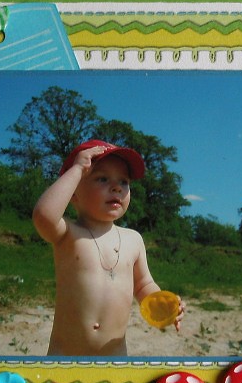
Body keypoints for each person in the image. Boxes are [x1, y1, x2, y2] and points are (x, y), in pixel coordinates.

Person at [32, 139, 184, 356]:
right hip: (66, 358)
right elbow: (43, 216)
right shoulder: (68, 233)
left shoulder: (133, 239)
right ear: (73, 193)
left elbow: (144, 285)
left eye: (124, 181)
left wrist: (163, 304)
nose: (116, 187)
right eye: (102, 178)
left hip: (115, 358)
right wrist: (77, 169)